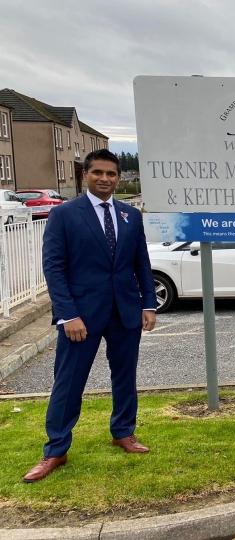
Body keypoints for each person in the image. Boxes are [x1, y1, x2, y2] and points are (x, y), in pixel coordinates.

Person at [23, 149, 157, 483]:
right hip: (80, 316)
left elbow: (141, 262)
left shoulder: (130, 215)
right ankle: (56, 450)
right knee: (68, 383)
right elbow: (54, 268)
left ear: (118, 177)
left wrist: (149, 304)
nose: (106, 179)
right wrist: (67, 315)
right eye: (98, 173)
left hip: (125, 312)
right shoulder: (65, 215)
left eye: (112, 174)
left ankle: (123, 432)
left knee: (125, 376)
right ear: (85, 174)